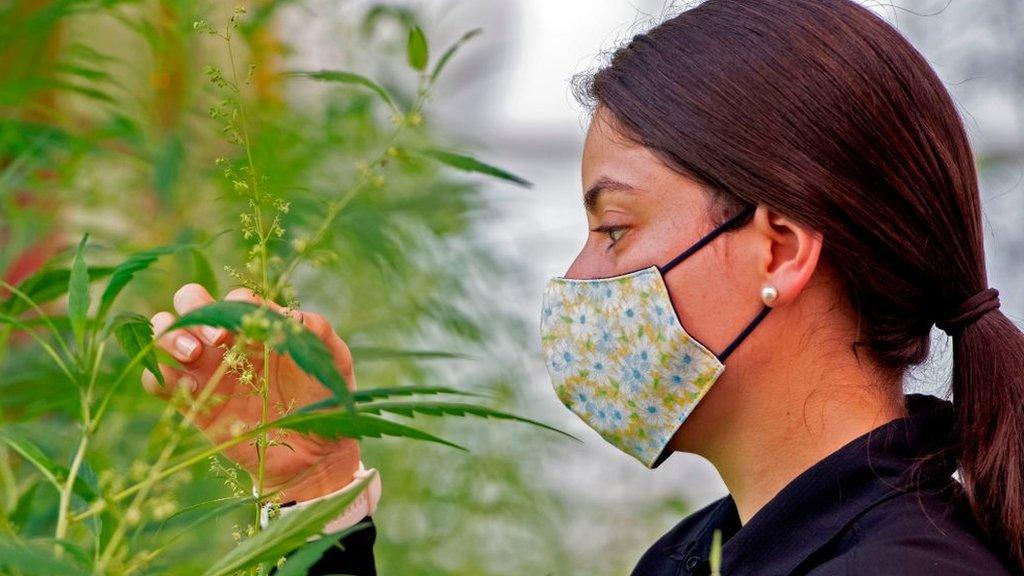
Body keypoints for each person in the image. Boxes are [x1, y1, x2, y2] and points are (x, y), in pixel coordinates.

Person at [143, 0, 1024, 574]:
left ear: (780, 250)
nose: (577, 279)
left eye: (613, 230)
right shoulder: (704, 554)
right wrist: (314, 492)